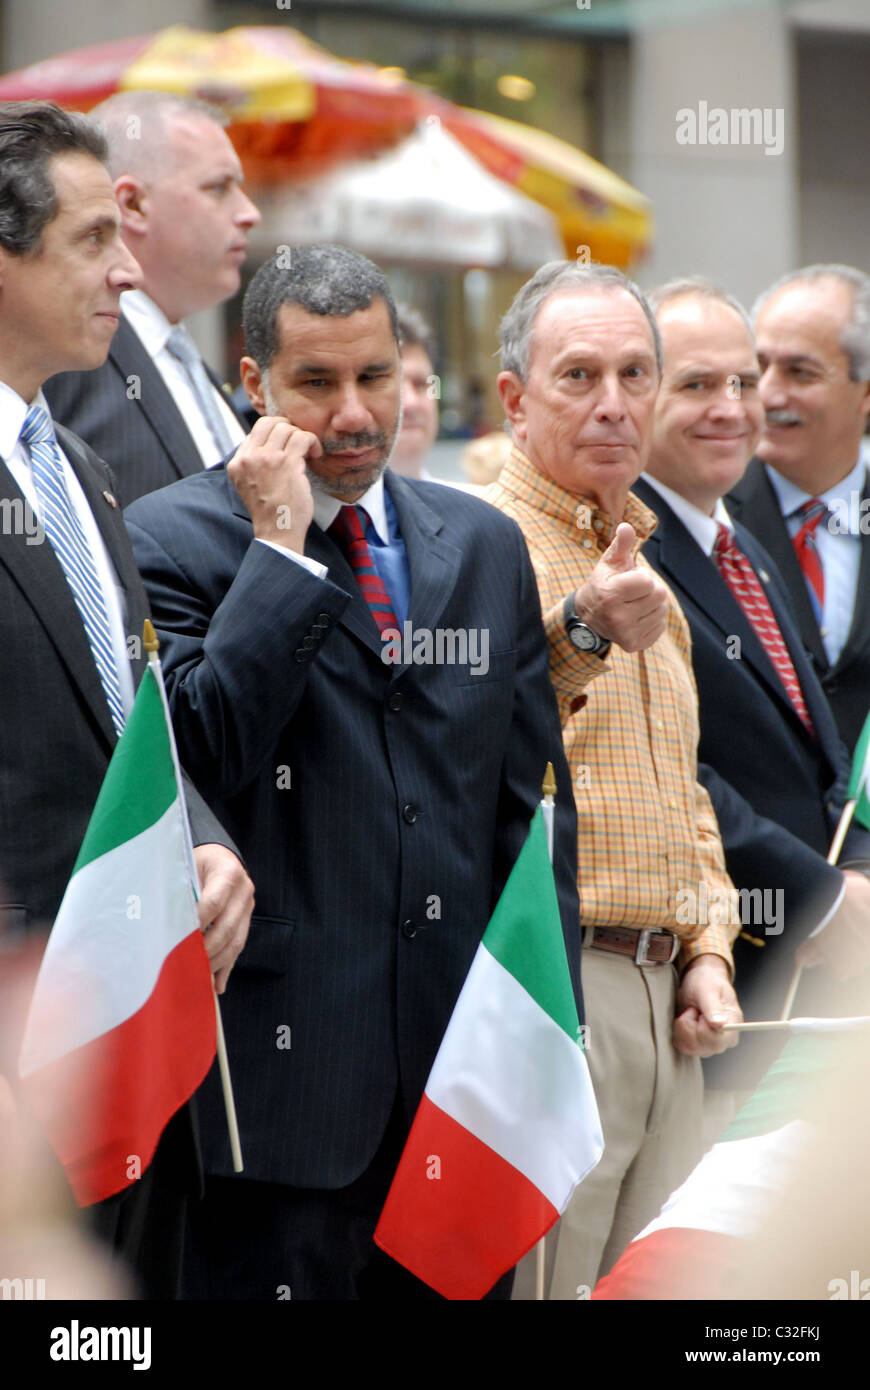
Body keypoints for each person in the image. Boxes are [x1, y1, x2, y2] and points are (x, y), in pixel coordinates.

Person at [124, 243, 581, 1301]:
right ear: (253, 386)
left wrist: (547, 1023)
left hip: (461, 1097)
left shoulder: (479, 542)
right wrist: (279, 549)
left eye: (376, 376)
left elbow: (532, 808)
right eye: (316, 383)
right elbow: (205, 751)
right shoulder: (168, 539)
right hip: (277, 1108)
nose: (354, 413)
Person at [0, 100, 254, 1298]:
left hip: (139, 1052)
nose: (125, 268)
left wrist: (203, 842)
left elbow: (135, 704)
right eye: (95, 238)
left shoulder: (84, 470)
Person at [485, 260, 743, 1299]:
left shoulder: (649, 553)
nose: (615, 403)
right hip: (556, 984)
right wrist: (581, 628)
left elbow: (684, 792)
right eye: (579, 374)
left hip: (668, 994)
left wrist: (712, 947)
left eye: (638, 374)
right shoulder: (474, 537)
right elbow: (468, 748)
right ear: (513, 398)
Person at [634, 278, 870, 1091]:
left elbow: (824, 750)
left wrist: (856, 876)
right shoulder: (626, 554)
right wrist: (821, 897)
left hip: (807, 988)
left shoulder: (735, 544)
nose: (742, 405)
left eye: (744, 381)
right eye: (698, 384)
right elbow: (663, 766)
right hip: (710, 995)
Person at [44, 91, 260, 506]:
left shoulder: (184, 358)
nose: (249, 212)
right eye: (219, 187)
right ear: (133, 204)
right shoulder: (70, 351)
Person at [727, 265, 870, 755]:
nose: (767, 394)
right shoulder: (708, 519)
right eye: (758, 367)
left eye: (800, 372)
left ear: (866, 392)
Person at [389, 305, 442, 481]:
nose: (411, 403)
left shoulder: (469, 505)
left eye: (420, 385)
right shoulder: (306, 508)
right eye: (394, 386)